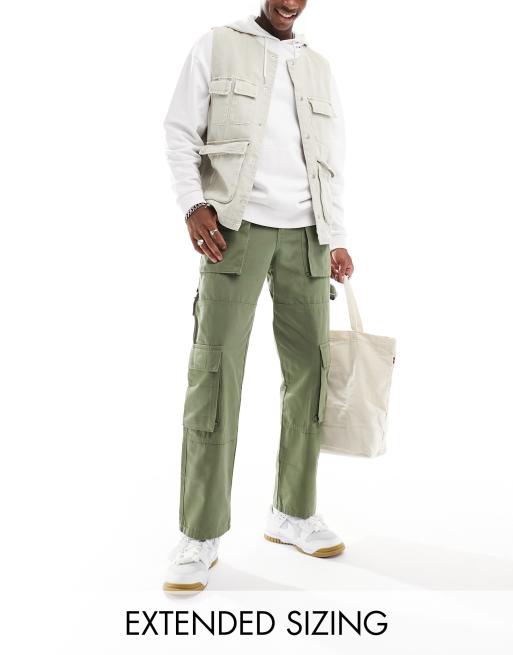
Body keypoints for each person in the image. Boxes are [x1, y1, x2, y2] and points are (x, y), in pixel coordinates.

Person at [162, 0, 354, 592]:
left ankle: (293, 513)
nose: (290, 2)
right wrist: (193, 204)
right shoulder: (217, 44)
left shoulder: (318, 65)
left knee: (311, 375)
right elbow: (179, 130)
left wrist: (337, 236)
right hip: (234, 229)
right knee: (215, 373)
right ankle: (200, 534)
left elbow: (331, 159)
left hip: (308, 235)